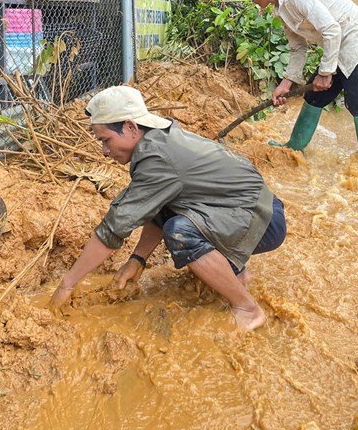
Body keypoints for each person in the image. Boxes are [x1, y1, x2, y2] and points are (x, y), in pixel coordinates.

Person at [48, 86, 287, 331]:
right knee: (175, 215)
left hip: (262, 221)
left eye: (106, 140)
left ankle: (248, 310)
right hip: (248, 209)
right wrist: (138, 259)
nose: (105, 152)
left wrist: (68, 284)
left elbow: (115, 226)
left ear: (131, 127)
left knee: (181, 232)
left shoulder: (158, 158)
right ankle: (237, 273)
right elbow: (159, 206)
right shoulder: (159, 137)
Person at [235, 0, 358, 178]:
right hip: (337, 46)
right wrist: (286, 83)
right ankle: (294, 146)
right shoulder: (281, 8)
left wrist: (326, 73)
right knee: (315, 96)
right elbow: (298, 47)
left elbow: (332, 30)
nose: (251, 0)